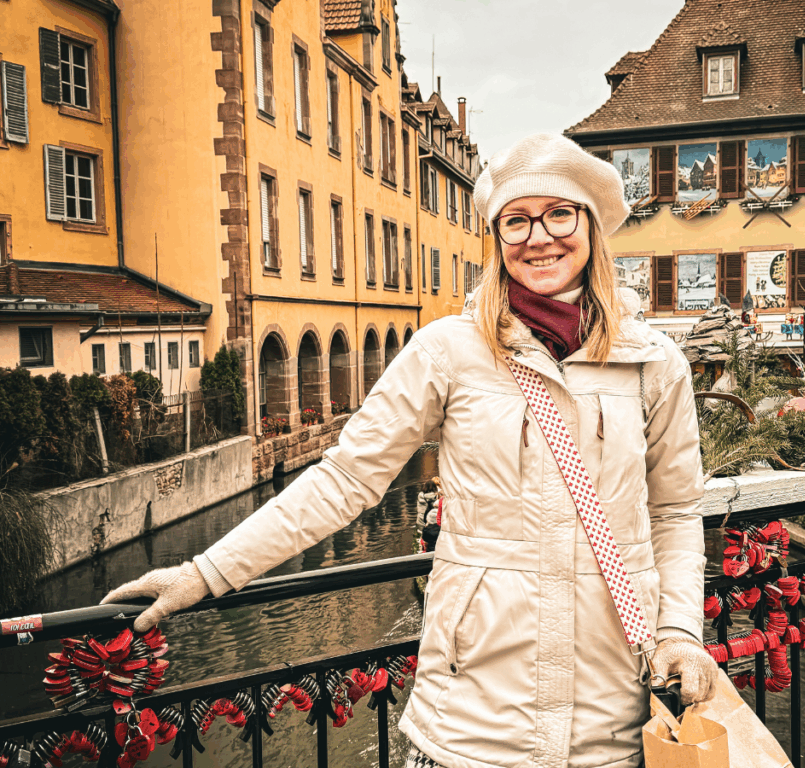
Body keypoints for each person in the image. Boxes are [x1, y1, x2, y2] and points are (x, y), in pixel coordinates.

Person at [102, 133, 716, 768]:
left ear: (591, 226)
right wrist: (206, 572)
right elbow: (344, 480)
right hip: (474, 722)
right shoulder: (447, 351)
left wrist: (677, 633)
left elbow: (674, 511)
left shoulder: (652, 363)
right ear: (497, 238)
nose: (539, 237)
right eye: (516, 220)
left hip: (611, 718)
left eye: (559, 213)